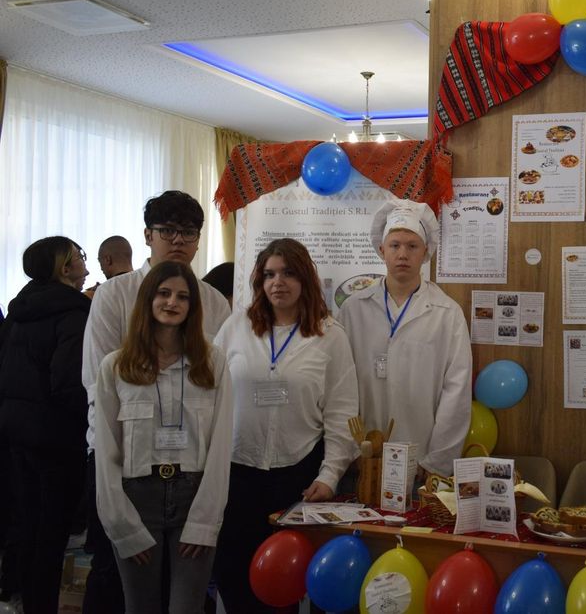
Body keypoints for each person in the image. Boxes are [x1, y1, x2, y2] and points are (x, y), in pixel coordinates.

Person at [82, 190, 231, 613]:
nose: (178, 240)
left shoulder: (213, 301)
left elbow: (216, 389)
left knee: (187, 596)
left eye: (189, 232)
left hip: (190, 466)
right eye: (168, 231)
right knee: (118, 588)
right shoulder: (116, 295)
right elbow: (98, 385)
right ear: (148, 235)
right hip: (126, 460)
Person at [212, 238, 358, 613]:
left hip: (298, 476)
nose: (278, 282)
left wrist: (330, 475)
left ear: (305, 278)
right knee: (232, 574)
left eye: (289, 273)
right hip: (237, 473)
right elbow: (209, 394)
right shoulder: (237, 327)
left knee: (282, 581)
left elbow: (342, 412)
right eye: (269, 274)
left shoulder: (330, 335)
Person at [339, 198, 472, 480]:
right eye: (395, 245)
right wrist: (349, 452)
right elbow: (339, 386)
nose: (402, 254)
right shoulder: (353, 310)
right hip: (363, 458)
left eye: (412, 246)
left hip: (421, 461)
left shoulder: (447, 314)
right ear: (381, 250)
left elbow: (456, 393)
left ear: (425, 253)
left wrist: (435, 463)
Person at [0, 236, 91, 614]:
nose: (85, 264)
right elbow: (70, 383)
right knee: (52, 535)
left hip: (15, 433)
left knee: (27, 525)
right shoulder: (72, 313)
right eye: (80, 257)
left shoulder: (21, 307)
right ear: (65, 268)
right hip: (57, 439)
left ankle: (21, 598)